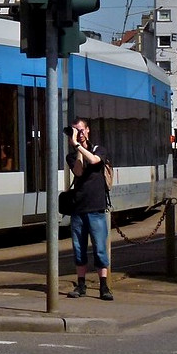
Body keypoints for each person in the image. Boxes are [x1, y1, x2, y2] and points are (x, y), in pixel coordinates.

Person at [65, 117, 114, 301]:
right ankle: (81, 285)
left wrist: (80, 146)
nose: (79, 133)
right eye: (75, 130)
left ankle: (104, 287)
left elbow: (94, 161)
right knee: (79, 250)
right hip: (78, 209)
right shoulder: (71, 155)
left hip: (96, 208)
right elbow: (78, 171)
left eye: (81, 130)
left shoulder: (99, 149)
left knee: (100, 249)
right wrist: (77, 148)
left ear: (88, 130)